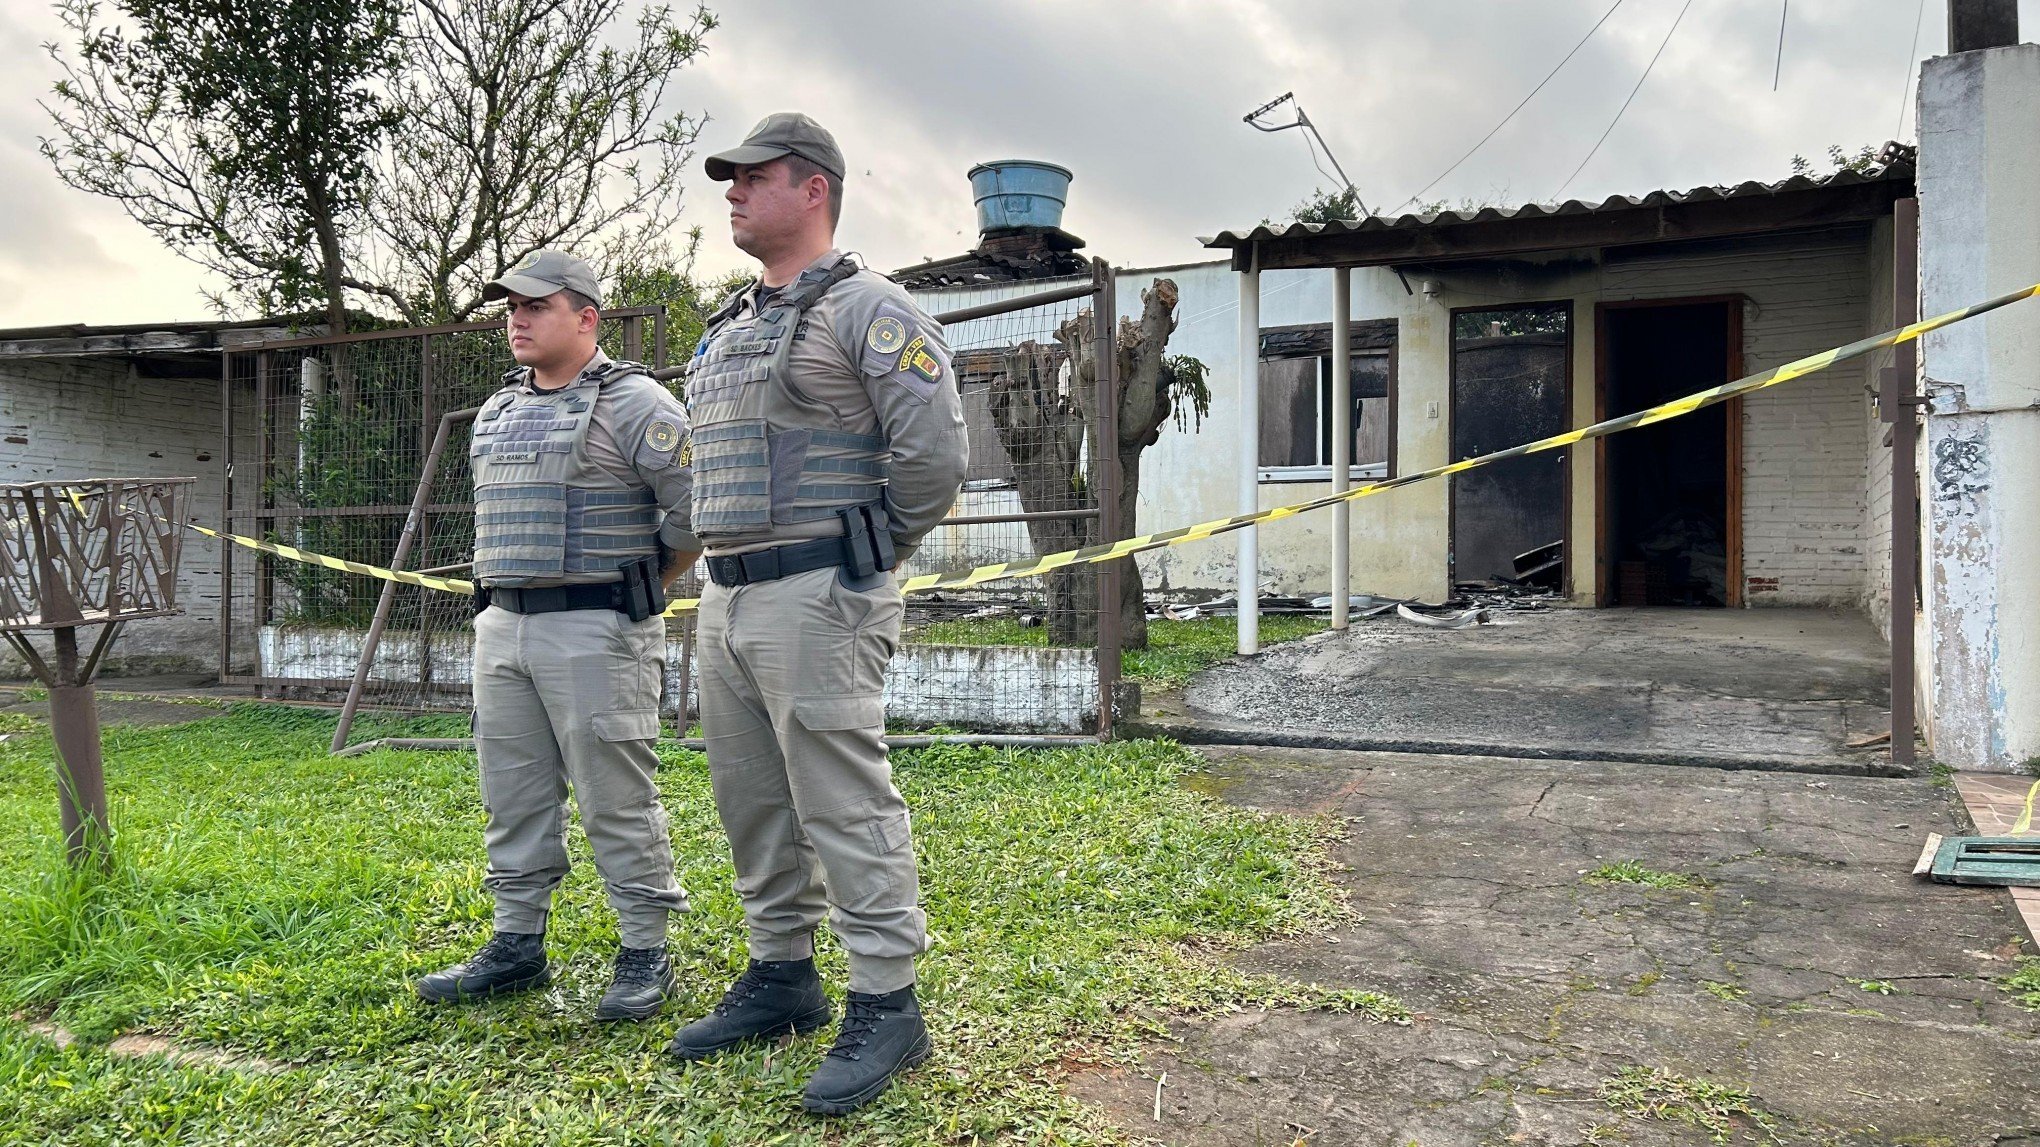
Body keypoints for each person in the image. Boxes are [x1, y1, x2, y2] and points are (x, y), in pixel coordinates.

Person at [663, 113, 967, 1116]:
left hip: (820, 593)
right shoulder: (730, 325)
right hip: (731, 594)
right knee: (750, 798)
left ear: (815, 190)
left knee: (842, 797)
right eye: (732, 181)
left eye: (754, 178)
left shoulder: (870, 310)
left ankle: (888, 999)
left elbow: (932, 454)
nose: (734, 193)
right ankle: (782, 972)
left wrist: (874, 546)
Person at [414, 250, 699, 1022]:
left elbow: (695, 509)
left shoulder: (638, 404)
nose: (518, 317)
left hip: (598, 628)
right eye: (511, 306)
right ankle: (516, 943)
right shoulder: (499, 410)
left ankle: (645, 948)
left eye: (537, 305)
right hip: (502, 624)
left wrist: (639, 585)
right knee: (511, 794)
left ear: (587, 318)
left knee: (616, 797)